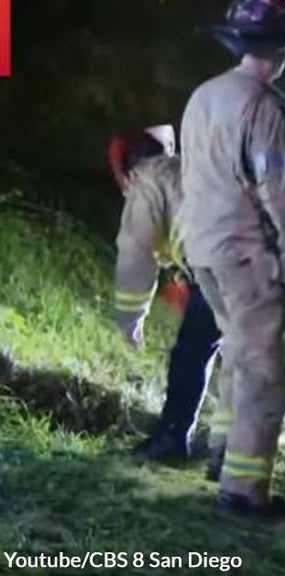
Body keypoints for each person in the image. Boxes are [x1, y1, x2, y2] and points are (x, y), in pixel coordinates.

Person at [179, 0, 285, 518]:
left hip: (203, 248)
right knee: (264, 377)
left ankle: (221, 452)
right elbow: (276, 190)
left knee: (237, 354)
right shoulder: (266, 107)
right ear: (281, 51)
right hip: (246, 253)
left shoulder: (203, 96)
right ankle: (243, 489)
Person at [110, 127, 221, 463]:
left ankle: (173, 438)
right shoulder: (189, 169)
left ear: (130, 169)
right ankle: (232, 457)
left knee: (191, 354)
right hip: (263, 265)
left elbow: (136, 252)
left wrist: (130, 319)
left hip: (220, 268)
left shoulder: (147, 179)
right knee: (244, 363)